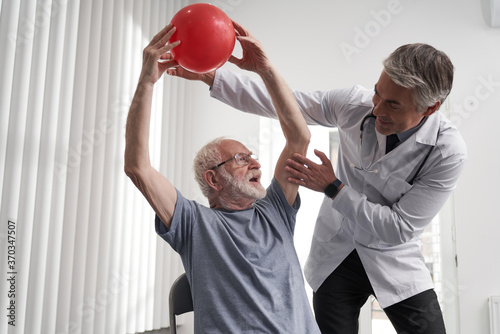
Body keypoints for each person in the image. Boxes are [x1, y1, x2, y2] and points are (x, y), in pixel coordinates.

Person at [168, 43, 467, 333]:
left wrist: (334, 187)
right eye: (378, 93)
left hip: (394, 258)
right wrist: (211, 76)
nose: (376, 109)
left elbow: (398, 228)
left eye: (392, 104)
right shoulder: (354, 103)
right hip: (337, 254)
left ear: (430, 108)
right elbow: (286, 106)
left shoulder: (446, 151)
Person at [124, 22, 321, 333]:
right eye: (241, 159)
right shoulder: (193, 224)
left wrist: (265, 68)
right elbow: (138, 167)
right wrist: (147, 83)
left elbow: (299, 136)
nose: (255, 163)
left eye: (252, 156)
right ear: (213, 180)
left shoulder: (276, 210)